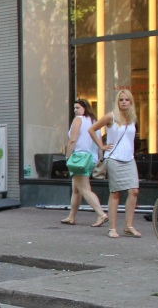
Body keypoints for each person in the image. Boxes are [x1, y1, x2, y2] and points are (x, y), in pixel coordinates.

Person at [88, 88, 140, 238]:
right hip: (114, 158)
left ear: (131, 102)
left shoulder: (132, 118)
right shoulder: (111, 116)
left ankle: (129, 226)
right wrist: (101, 146)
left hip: (129, 158)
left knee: (134, 191)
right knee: (115, 193)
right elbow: (92, 129)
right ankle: (112, 228)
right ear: (117, 102)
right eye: (121, 100)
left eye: (127, 100)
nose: (124, 102)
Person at [60, 98, 107, 227]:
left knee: (85, 190)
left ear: (85, 108)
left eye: (78, 108)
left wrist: (67, 156)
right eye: (74, 108)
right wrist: (100, 157)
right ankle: (71, 216)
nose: (75, 110)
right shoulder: (94, 122)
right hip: (90, 158)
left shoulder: (78, 120)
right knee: (76, 189)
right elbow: (99, 142)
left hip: (79, 158)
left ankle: (101, 214)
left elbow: (72, 140)